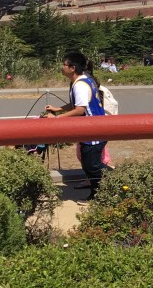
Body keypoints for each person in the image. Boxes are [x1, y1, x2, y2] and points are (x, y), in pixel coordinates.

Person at [44, 51, 107, 201]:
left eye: (64, 64)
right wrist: (58, 109)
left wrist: (56, 118)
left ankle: (99, 195)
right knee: (89, 164)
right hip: (94, 129)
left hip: (93, 131)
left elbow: (80, 110)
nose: (62, 67)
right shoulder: (84, 80)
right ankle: (98, 192)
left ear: (72, 68)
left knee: (92, 166)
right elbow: (77, 103)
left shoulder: (80, 85)